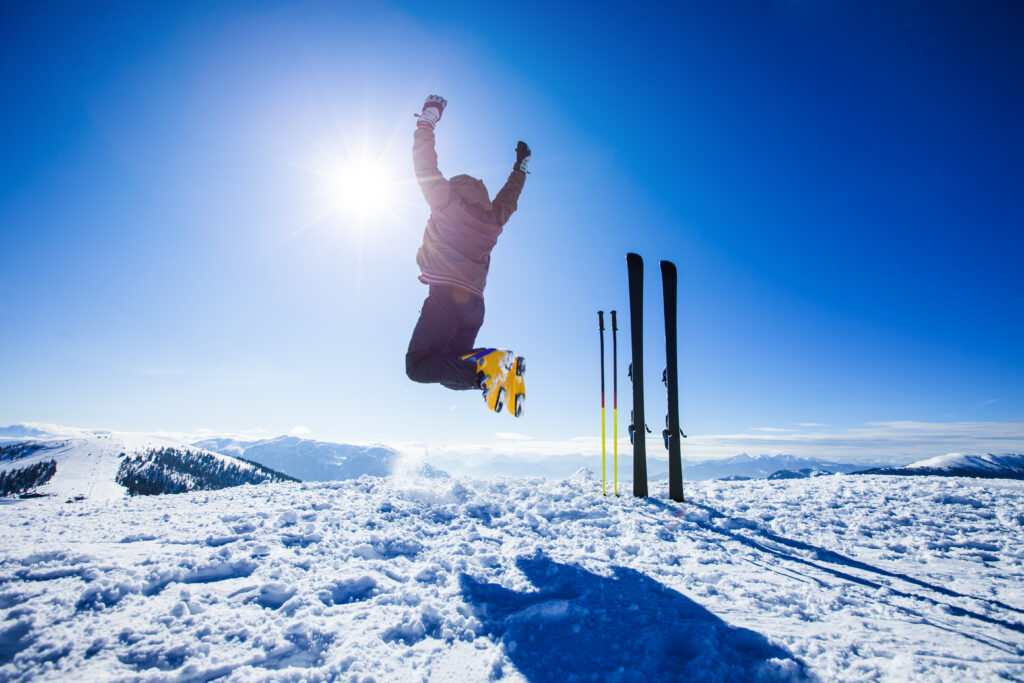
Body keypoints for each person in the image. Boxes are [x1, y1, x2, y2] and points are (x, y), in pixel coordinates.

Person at [405, 95, 530, 394]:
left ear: (453, 189)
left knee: (417, 366)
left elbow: (424, 164)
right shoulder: (492, 219)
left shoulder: (446, 202)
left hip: (446, 299)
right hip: (474, 306)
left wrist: (428, 119)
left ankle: (489, 369)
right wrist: (521, 167)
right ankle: (492, 369)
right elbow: (509, 198)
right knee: (452, 371)